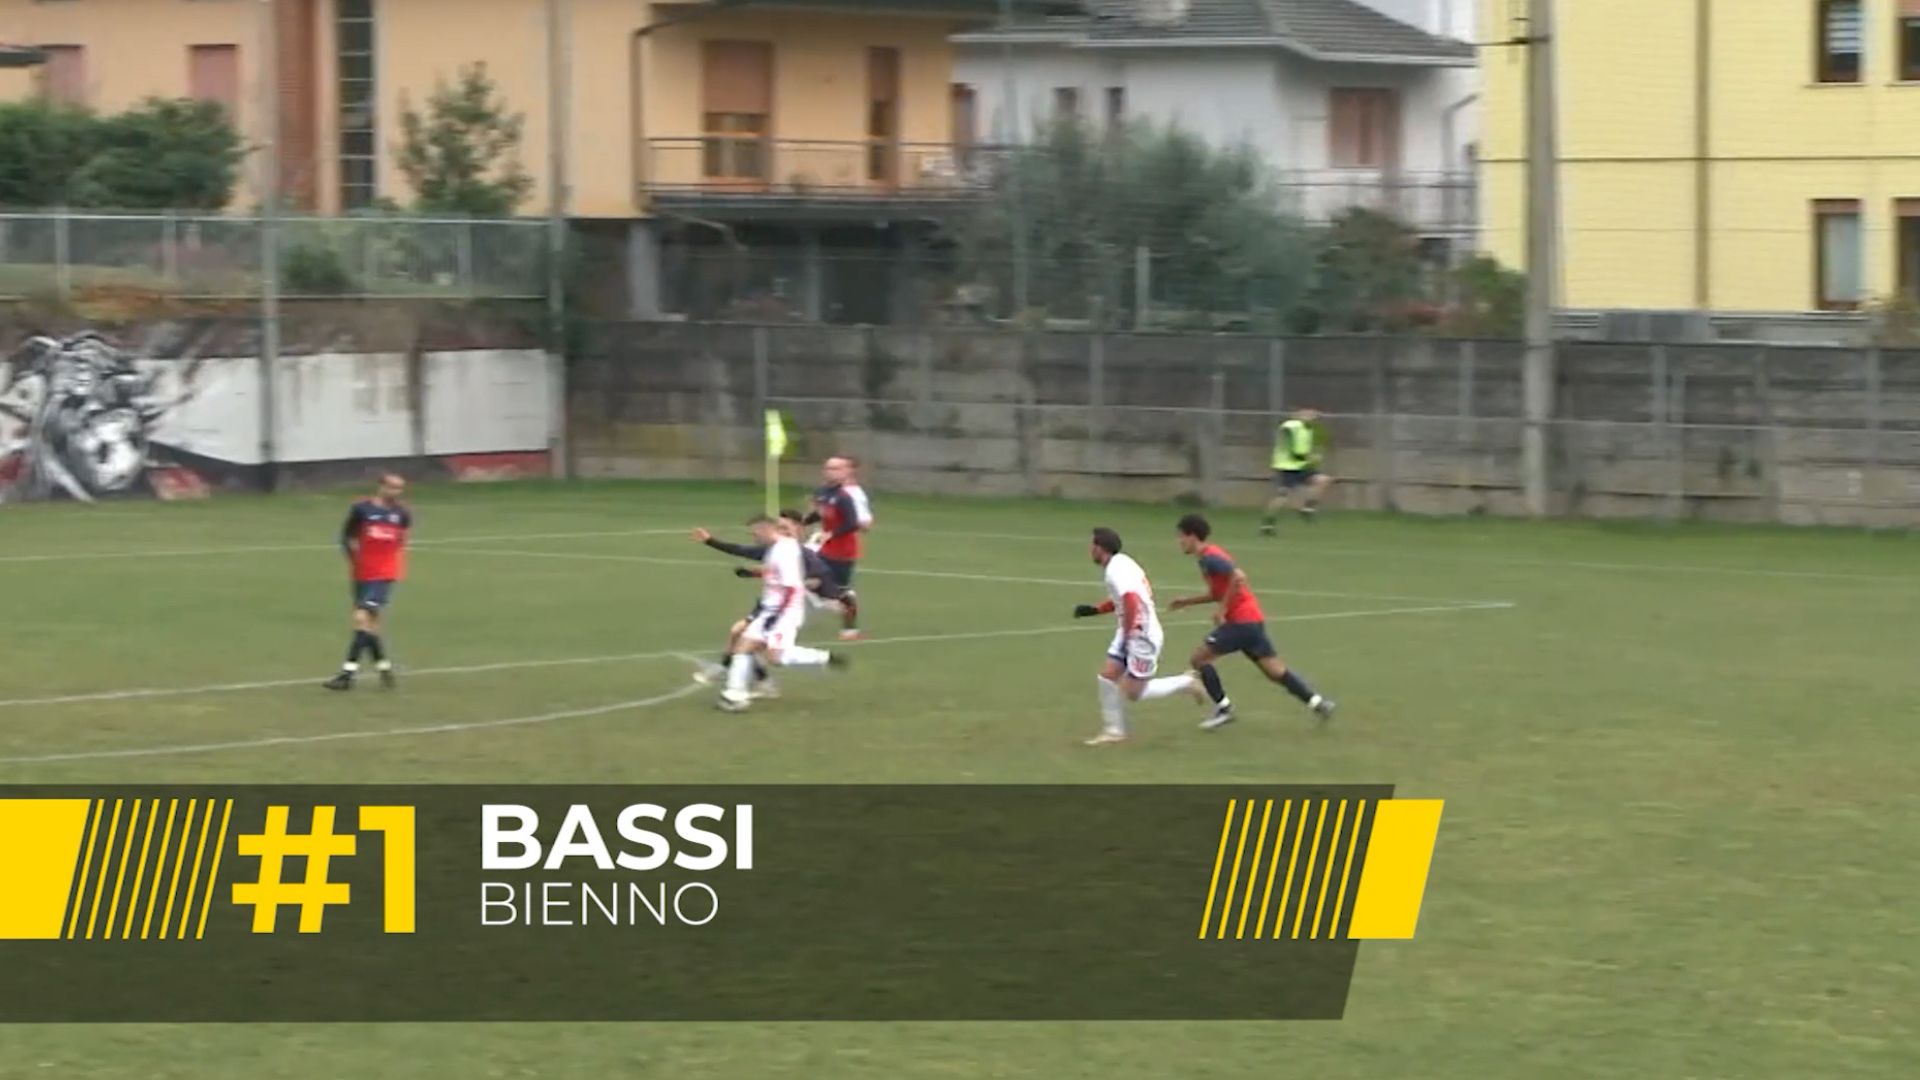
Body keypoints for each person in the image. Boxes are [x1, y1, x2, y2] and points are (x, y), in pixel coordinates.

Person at [1167, 513, 1335, 729]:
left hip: (1241, 622)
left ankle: (1224, 709)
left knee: (1199, 659)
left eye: (1181, 536)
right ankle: (1318, 704)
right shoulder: (1207, 558)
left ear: (1192, 536)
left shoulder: (1210, 557)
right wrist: (1187, 601)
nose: (1179, 541)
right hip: (1252, 621)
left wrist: (1222, 610)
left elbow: (1238, 577)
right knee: (1275, 671)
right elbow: (1219, 592)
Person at [1069, 527, 1207, 746]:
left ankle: (1186, 682)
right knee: (1107, 677)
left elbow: (1131, 600)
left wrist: (1128, 634)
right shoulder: (1122, 563)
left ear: (1100, 548)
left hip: (1142, 636)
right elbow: (1124, 599)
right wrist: (1096, 610)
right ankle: (1114, 731)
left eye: (1092, 545)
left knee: (1135, 692)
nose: (1090, 549)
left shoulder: (1115, 569)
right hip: (1132, 630)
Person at [690, 510, 846, 697]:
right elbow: (743, 551)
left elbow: (817, 577)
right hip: (769, 605)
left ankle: (735, 675)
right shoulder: (773, 548)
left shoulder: (800, 552)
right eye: (779, 526)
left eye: (785, 527)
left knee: (761, 648)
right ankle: (741, 687)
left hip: (786, 608)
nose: (782, 530)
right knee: (745, 640)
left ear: (797, 528)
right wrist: (711, 542)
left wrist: (830, 595)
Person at [325, 473, 411, 691]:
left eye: (400, 488)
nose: (396, 492)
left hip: (384, 575)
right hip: (362, 573)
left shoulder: (402, 513)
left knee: (361, 618)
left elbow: (400, 541)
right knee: (370, 625)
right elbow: (346, 536)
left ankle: (347, 674)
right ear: (381, 487)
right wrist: (354, 559)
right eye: (392, 487)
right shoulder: (361, 509)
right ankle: (384, 669)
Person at [804, 455, 873, 640]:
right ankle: (826, 603)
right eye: (828, 468)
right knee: (805, 576)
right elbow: (819, 514)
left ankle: (849, 630)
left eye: (836, 469)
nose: (831, 472)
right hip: (825, 547)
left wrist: (832, 534)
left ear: (845, 472)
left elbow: (853, 523)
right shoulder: (821, 492)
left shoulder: (845, 497)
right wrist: (800, 522)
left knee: (842, 591)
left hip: (843, 551)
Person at [1262, 408, 1331, 533]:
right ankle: (1267, 525)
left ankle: (1308, 509)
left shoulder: (1308, 429)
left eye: (1313, 415)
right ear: (1297, 415)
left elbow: (1305, 447)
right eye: (1307, 414)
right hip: (1287, 467)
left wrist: (1312, 456)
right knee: (1282, 497)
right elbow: (1291, 449)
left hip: (1301, 465)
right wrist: (1309, 458)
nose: (1312, 417)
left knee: (1323, 480)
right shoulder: (1290, 426)